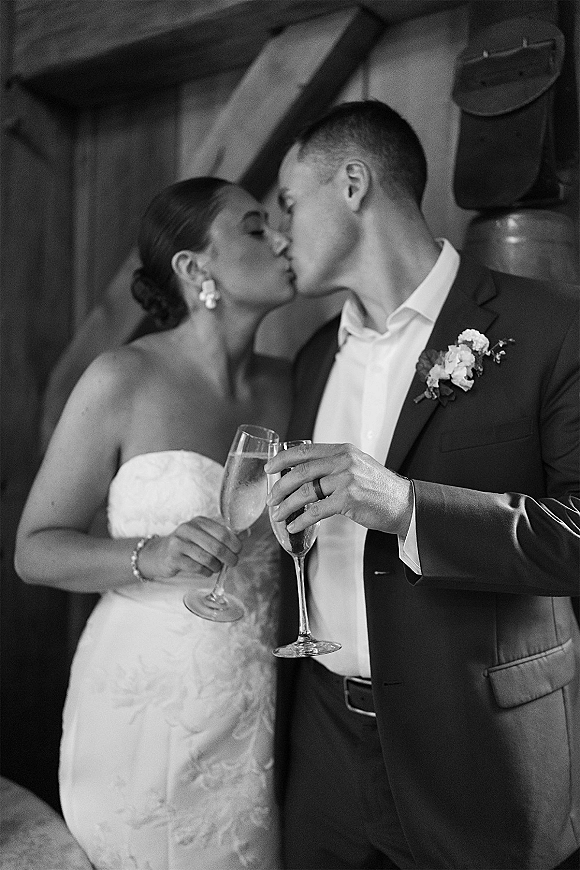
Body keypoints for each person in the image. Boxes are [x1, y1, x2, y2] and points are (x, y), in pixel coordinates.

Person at [265, 100, 580, 870]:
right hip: (324, 751)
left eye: (286, 202)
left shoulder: (547, 326)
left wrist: (406, 507)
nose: (277, 232)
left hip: (480, 756)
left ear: (351, 183)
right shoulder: (312, 360)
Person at [15, 177, 295, 870]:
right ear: (196, 268)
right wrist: (151, 554)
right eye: (256, 228)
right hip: (143, 705)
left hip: (256, 707)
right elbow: (33, 551)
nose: (283, 238)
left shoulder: (296, 383)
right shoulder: (122, 378)